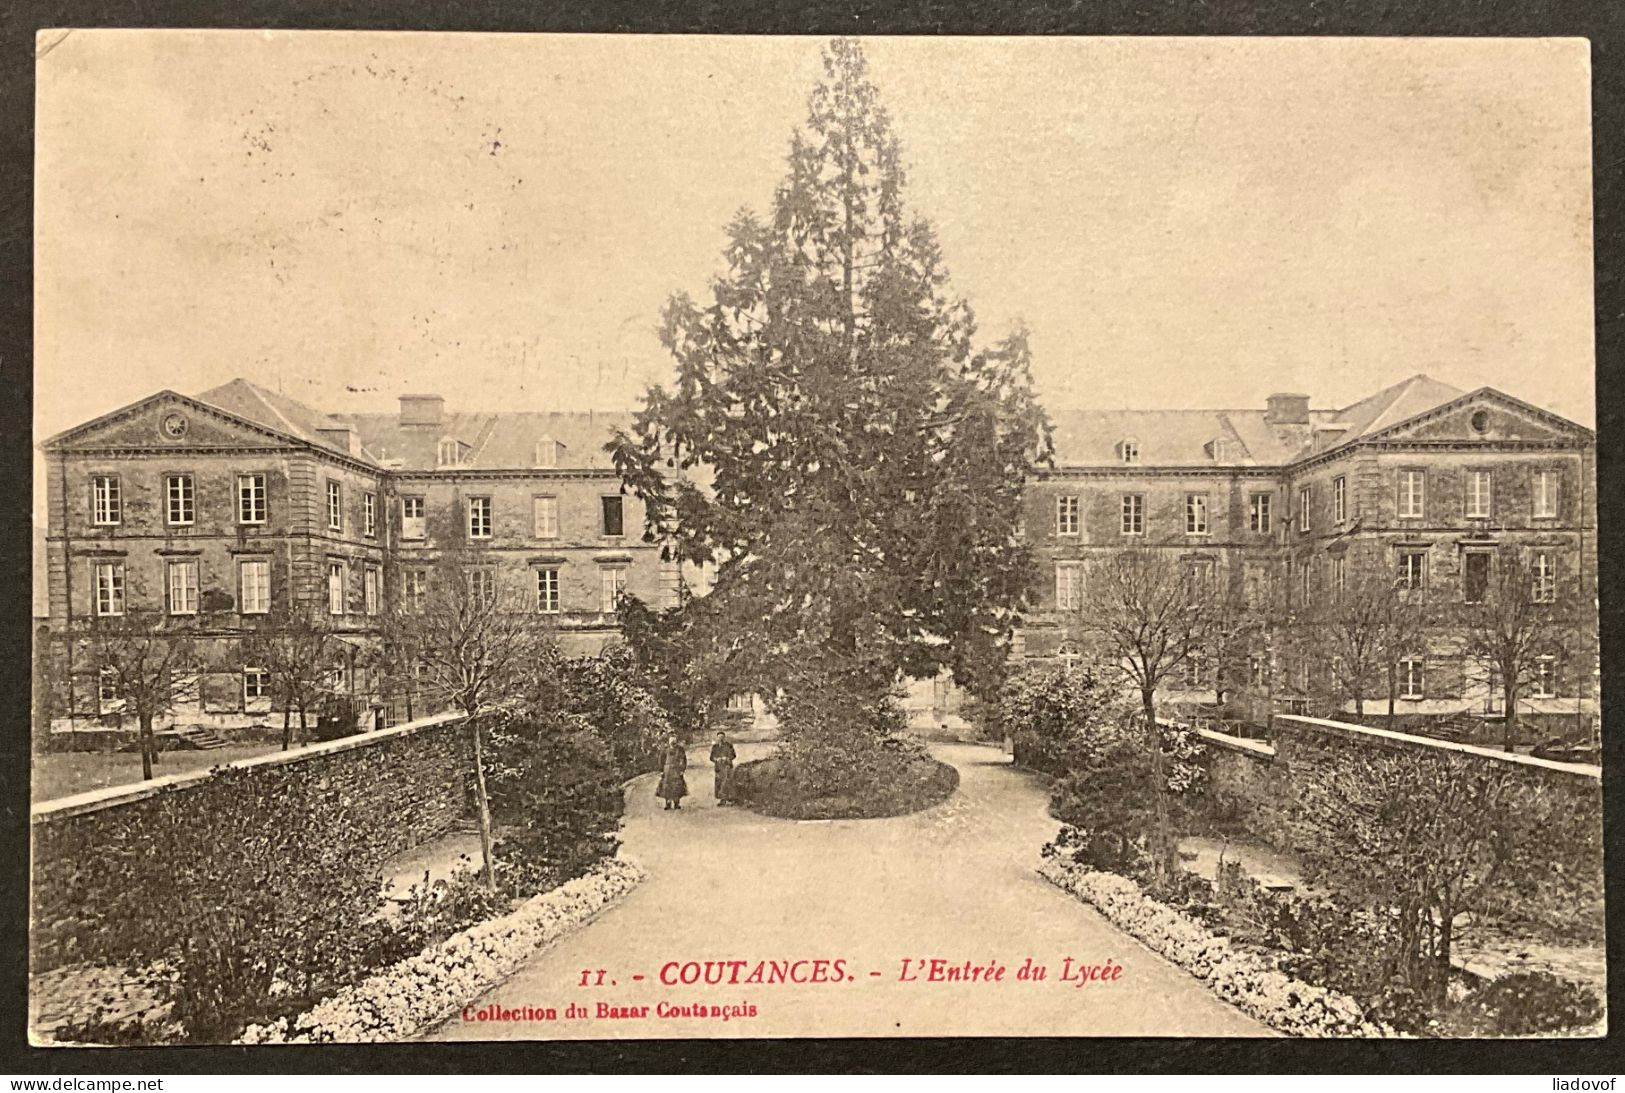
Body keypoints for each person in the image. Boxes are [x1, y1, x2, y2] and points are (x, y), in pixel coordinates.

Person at [656, 734, 688, 810]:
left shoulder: (680, 749)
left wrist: (682, 770)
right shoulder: (665, 750)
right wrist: (661, 770)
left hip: (677, 770)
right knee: (667, 786)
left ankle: (676, 803)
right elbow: (661, 760)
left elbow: (684, 760)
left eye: (674, 741)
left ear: (676, 741)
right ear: (669, 741)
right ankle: (668, 803)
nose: (673, 742)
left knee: (677, 786)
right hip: (667, 770)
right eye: (671, 741)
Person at [709, 731, 737, 805]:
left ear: (724, 738)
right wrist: (716, 759)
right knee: (719, 783)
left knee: (727, 783)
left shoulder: (728, 746)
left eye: (722, 737)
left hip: (727, 767)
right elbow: (711, 757)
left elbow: (733, 755)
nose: (720, 739)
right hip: (718, 767)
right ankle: (722, 800)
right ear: (717, 738)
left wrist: (727, 758)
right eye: (719, 737)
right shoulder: (715, 747)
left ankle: (729, 799)